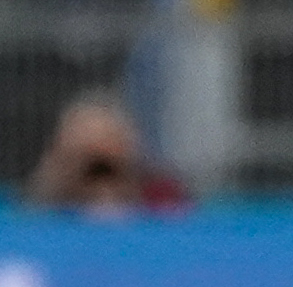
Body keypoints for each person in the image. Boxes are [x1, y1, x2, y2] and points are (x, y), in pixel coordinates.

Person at [25, 91, 192, 215]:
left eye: (106, 139)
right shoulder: (49, 204)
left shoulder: (162, 200)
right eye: (86, 143)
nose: (97, 152)